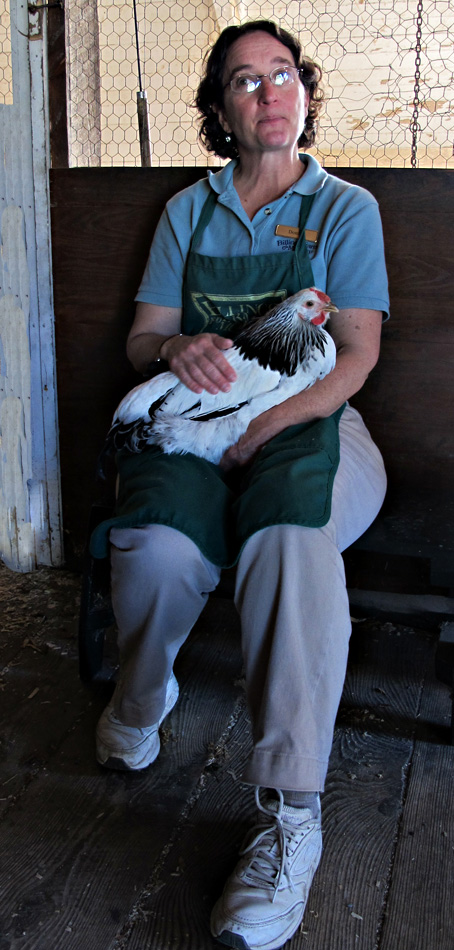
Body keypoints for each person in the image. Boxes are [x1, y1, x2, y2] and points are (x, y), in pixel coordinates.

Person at [92, 19, 389, 950]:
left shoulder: (345, 209)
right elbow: (145, 341)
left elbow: (355, 359)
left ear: (304, 90)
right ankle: (142, 697)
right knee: (154, 543)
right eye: (246, 81)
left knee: (290, 541)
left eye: (284, 75)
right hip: (195, 426)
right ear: (220, 109)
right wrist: (175, 345)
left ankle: (291, 816)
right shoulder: (190, 210)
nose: (270, 93)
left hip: (315, 424)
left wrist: (266, 425)